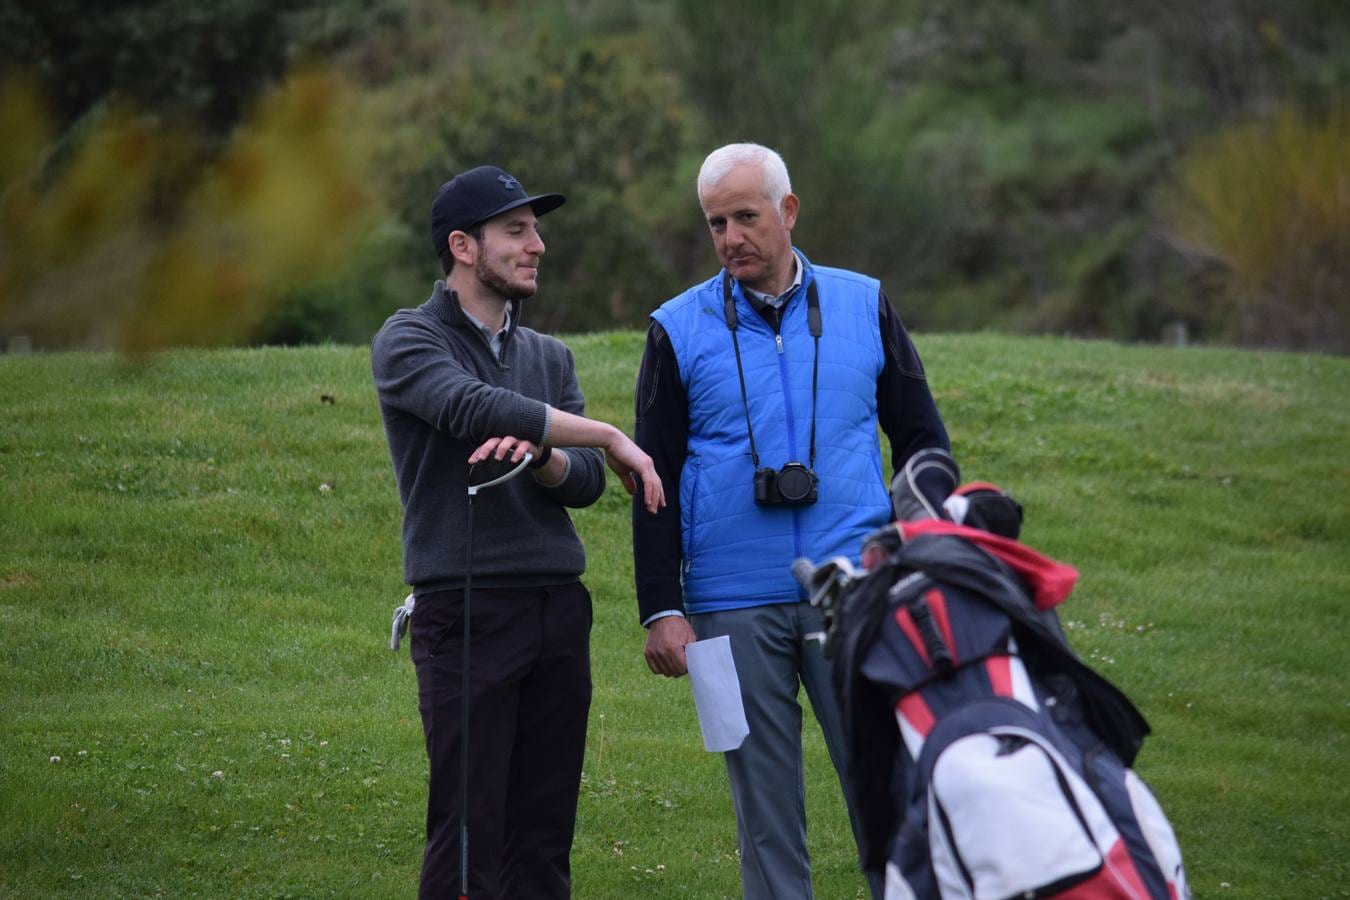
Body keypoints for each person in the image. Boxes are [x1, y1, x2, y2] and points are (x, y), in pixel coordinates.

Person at [632, 142, 950, 899]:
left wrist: (917, 553)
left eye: (746, 216)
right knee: (766, 822)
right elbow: (652, 479)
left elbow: (924, 443)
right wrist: (662, 608)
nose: (731, 236)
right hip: (727, 607)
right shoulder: (675, 328)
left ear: (789, 211)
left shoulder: (863, 303)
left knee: (891, 794)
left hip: (856, 593)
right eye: (716, 223)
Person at [372, 164, 664, 900]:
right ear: (463, 246)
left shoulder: (549, 357)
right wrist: (605, 433)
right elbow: (471, 407)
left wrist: (547, 457)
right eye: (517, 230)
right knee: (469, 832)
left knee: (542, 835)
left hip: (557, 610)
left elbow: (590, 484)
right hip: (466, 613)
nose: (537, 244)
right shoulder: (408, 338)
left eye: (536, 229)